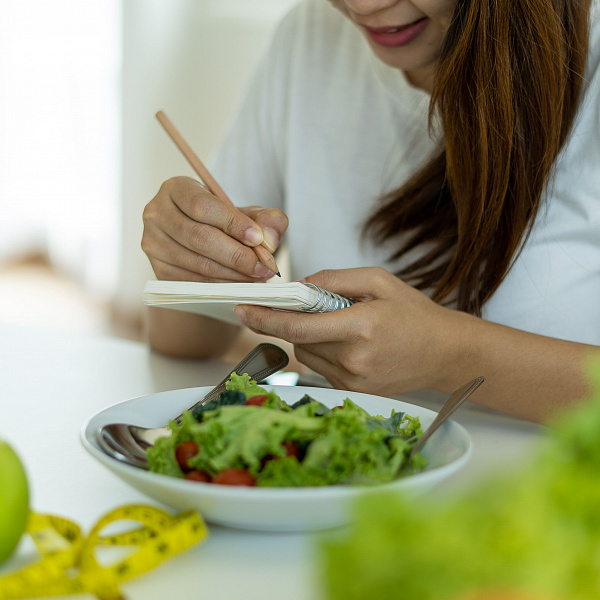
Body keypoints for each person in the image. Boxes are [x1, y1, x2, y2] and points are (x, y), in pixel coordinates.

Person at [141, 0, 600, 423]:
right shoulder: (312, 35)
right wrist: (188, 254)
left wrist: (454, 356)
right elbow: (186, 343)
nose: (365, 6)